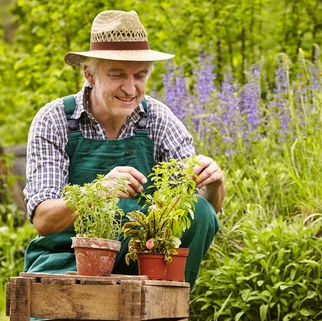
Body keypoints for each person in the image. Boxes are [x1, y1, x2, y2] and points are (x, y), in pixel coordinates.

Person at [22, 10, 226, 288]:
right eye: (117, 75)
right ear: (90, 75)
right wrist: (99, 190)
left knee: (200, 211)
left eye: (139, 76)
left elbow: (199, 214)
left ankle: (163, 316)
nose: (130, 89)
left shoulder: (158, 119)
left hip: (141, 264)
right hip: (67, 259)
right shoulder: (55, 119)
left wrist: (212, 182)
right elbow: (43, 219)